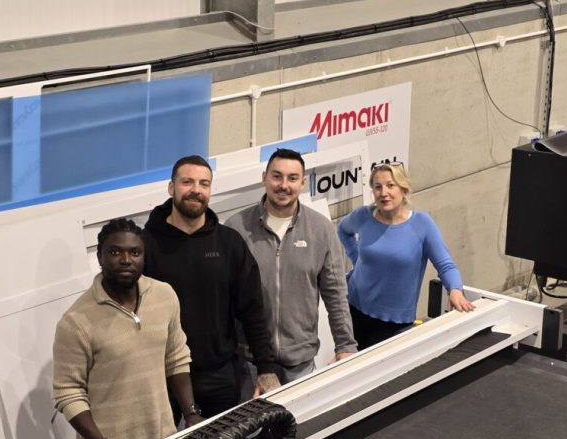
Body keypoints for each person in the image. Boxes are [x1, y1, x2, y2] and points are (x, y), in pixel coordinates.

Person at [53, 218, 201, 439]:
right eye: (115, 252)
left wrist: (190, 413)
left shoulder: (164, 295)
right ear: (99, 257)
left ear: (144, 257)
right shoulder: (74, 322)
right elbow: (68, 392)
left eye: (134, 252)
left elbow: (176, 357)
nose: (125, 260)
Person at [143, 155, 281, 417]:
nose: (196, 189)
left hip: (219, 374)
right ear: (171, 188)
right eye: (187, 182)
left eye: (204, 183)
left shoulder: (229, 243)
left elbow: (252, 310)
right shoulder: (145, 245)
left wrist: (266, 367)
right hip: (161, 377)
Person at [225, 148, 357, 383]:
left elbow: (335, 294)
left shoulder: (321, 229)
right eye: (277, 176)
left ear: (303, 183)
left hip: (300, 362)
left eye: (292, 178)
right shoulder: (237, 228)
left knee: (301, 421)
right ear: (264, 177)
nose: (283, 185)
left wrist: (345, 345)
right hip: (248, 363)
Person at [337, 162, 474, 350]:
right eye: (378, 187)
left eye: (390, 185)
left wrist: (455, 290)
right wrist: (357, 259)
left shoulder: (421, 224)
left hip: (395, 323)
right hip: (354, 308)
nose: (383, 192)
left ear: (404, 189)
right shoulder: (363, 216)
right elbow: (343, 231)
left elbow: (446, 265)